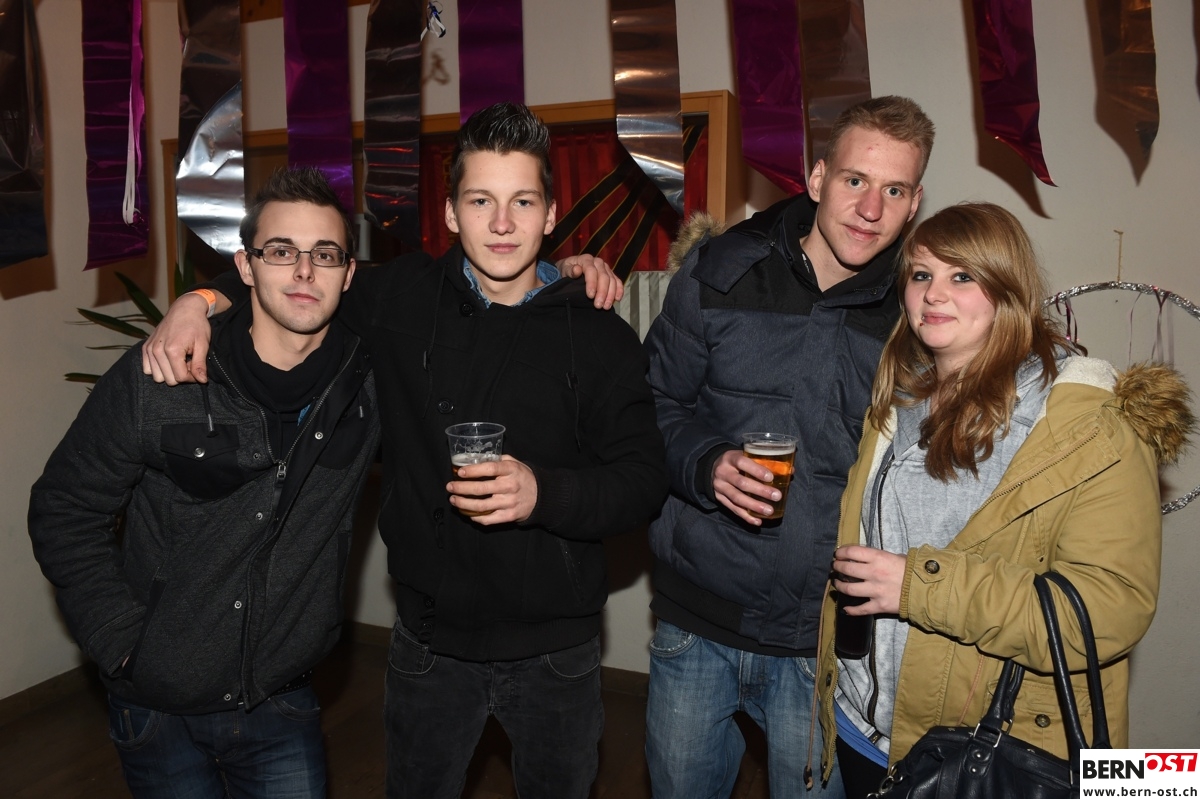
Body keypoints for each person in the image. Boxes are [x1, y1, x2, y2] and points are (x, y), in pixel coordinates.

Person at [143, 102, 668, 799]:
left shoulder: (598, 333)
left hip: (555, 653)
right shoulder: (399, 296)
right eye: (480, 200)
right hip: (429, 646)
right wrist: (198, 301)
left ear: (550, 215)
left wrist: (545, 492)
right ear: (450, 212)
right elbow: (295, 282)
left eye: (522, 201)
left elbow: (644, 479)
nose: (502, 223)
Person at [815, 202, 1192, 798]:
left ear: (1008, 289)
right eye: (921, 274)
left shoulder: (1088, 425)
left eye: (963, 276)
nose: (934, 294)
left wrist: (920, 586)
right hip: (862, 728)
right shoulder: (899, 399)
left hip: (987, 754)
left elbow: (1109, 610)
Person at [28, 166, 380, 798]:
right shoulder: (162, 376)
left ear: (348, 273)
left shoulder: (368, 385)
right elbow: (65, 508)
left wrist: (557, 275)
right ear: (246, 266)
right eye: (281, 251)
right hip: (156, 707)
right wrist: (121, 643)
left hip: (280, 698)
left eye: (325, 254)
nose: (304, 271)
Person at [642, 95, 935, 797]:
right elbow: (650, 405)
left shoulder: (920, 315)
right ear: (817, 177)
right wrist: (707, 463)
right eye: (855, 180)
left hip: (825, 641)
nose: (871, 208)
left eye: (895, 190)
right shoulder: (720, 270)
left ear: (915, 203)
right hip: (697, 623)